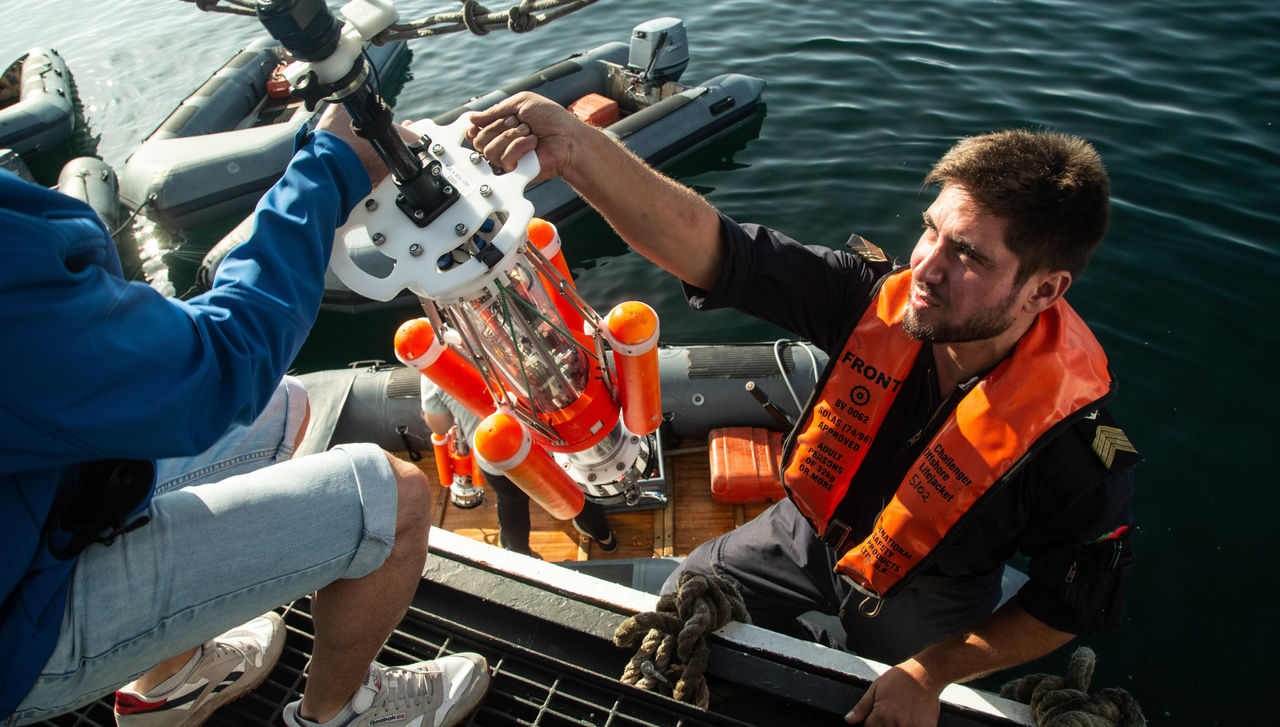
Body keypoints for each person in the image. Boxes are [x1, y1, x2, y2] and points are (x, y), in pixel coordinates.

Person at [464, 92, 1138, 726]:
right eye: (932, 231)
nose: (927, 267)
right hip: (803, 535)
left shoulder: (1072, 449)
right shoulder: (873, 296)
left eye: (968, 255)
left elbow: (1064, 603)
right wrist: (578, 149)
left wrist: (932, 671)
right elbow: (715, 248)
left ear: (1044, 290)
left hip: (926, 593)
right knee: (689, 589)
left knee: (892, 701)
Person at [1, 106, 490, 727]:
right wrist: (328, 168)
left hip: (33, 500)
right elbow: (219, 368)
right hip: (20, 627)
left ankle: (171, 685)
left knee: (283, 410)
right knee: (396, 500)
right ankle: (338, 712)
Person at [419, 379, 617, 556]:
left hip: (497, 459)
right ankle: (604, 538)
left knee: (512, 505)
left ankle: (520, 555)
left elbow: (440, 427)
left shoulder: (431, 374)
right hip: (545, 444)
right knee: (573, 490)